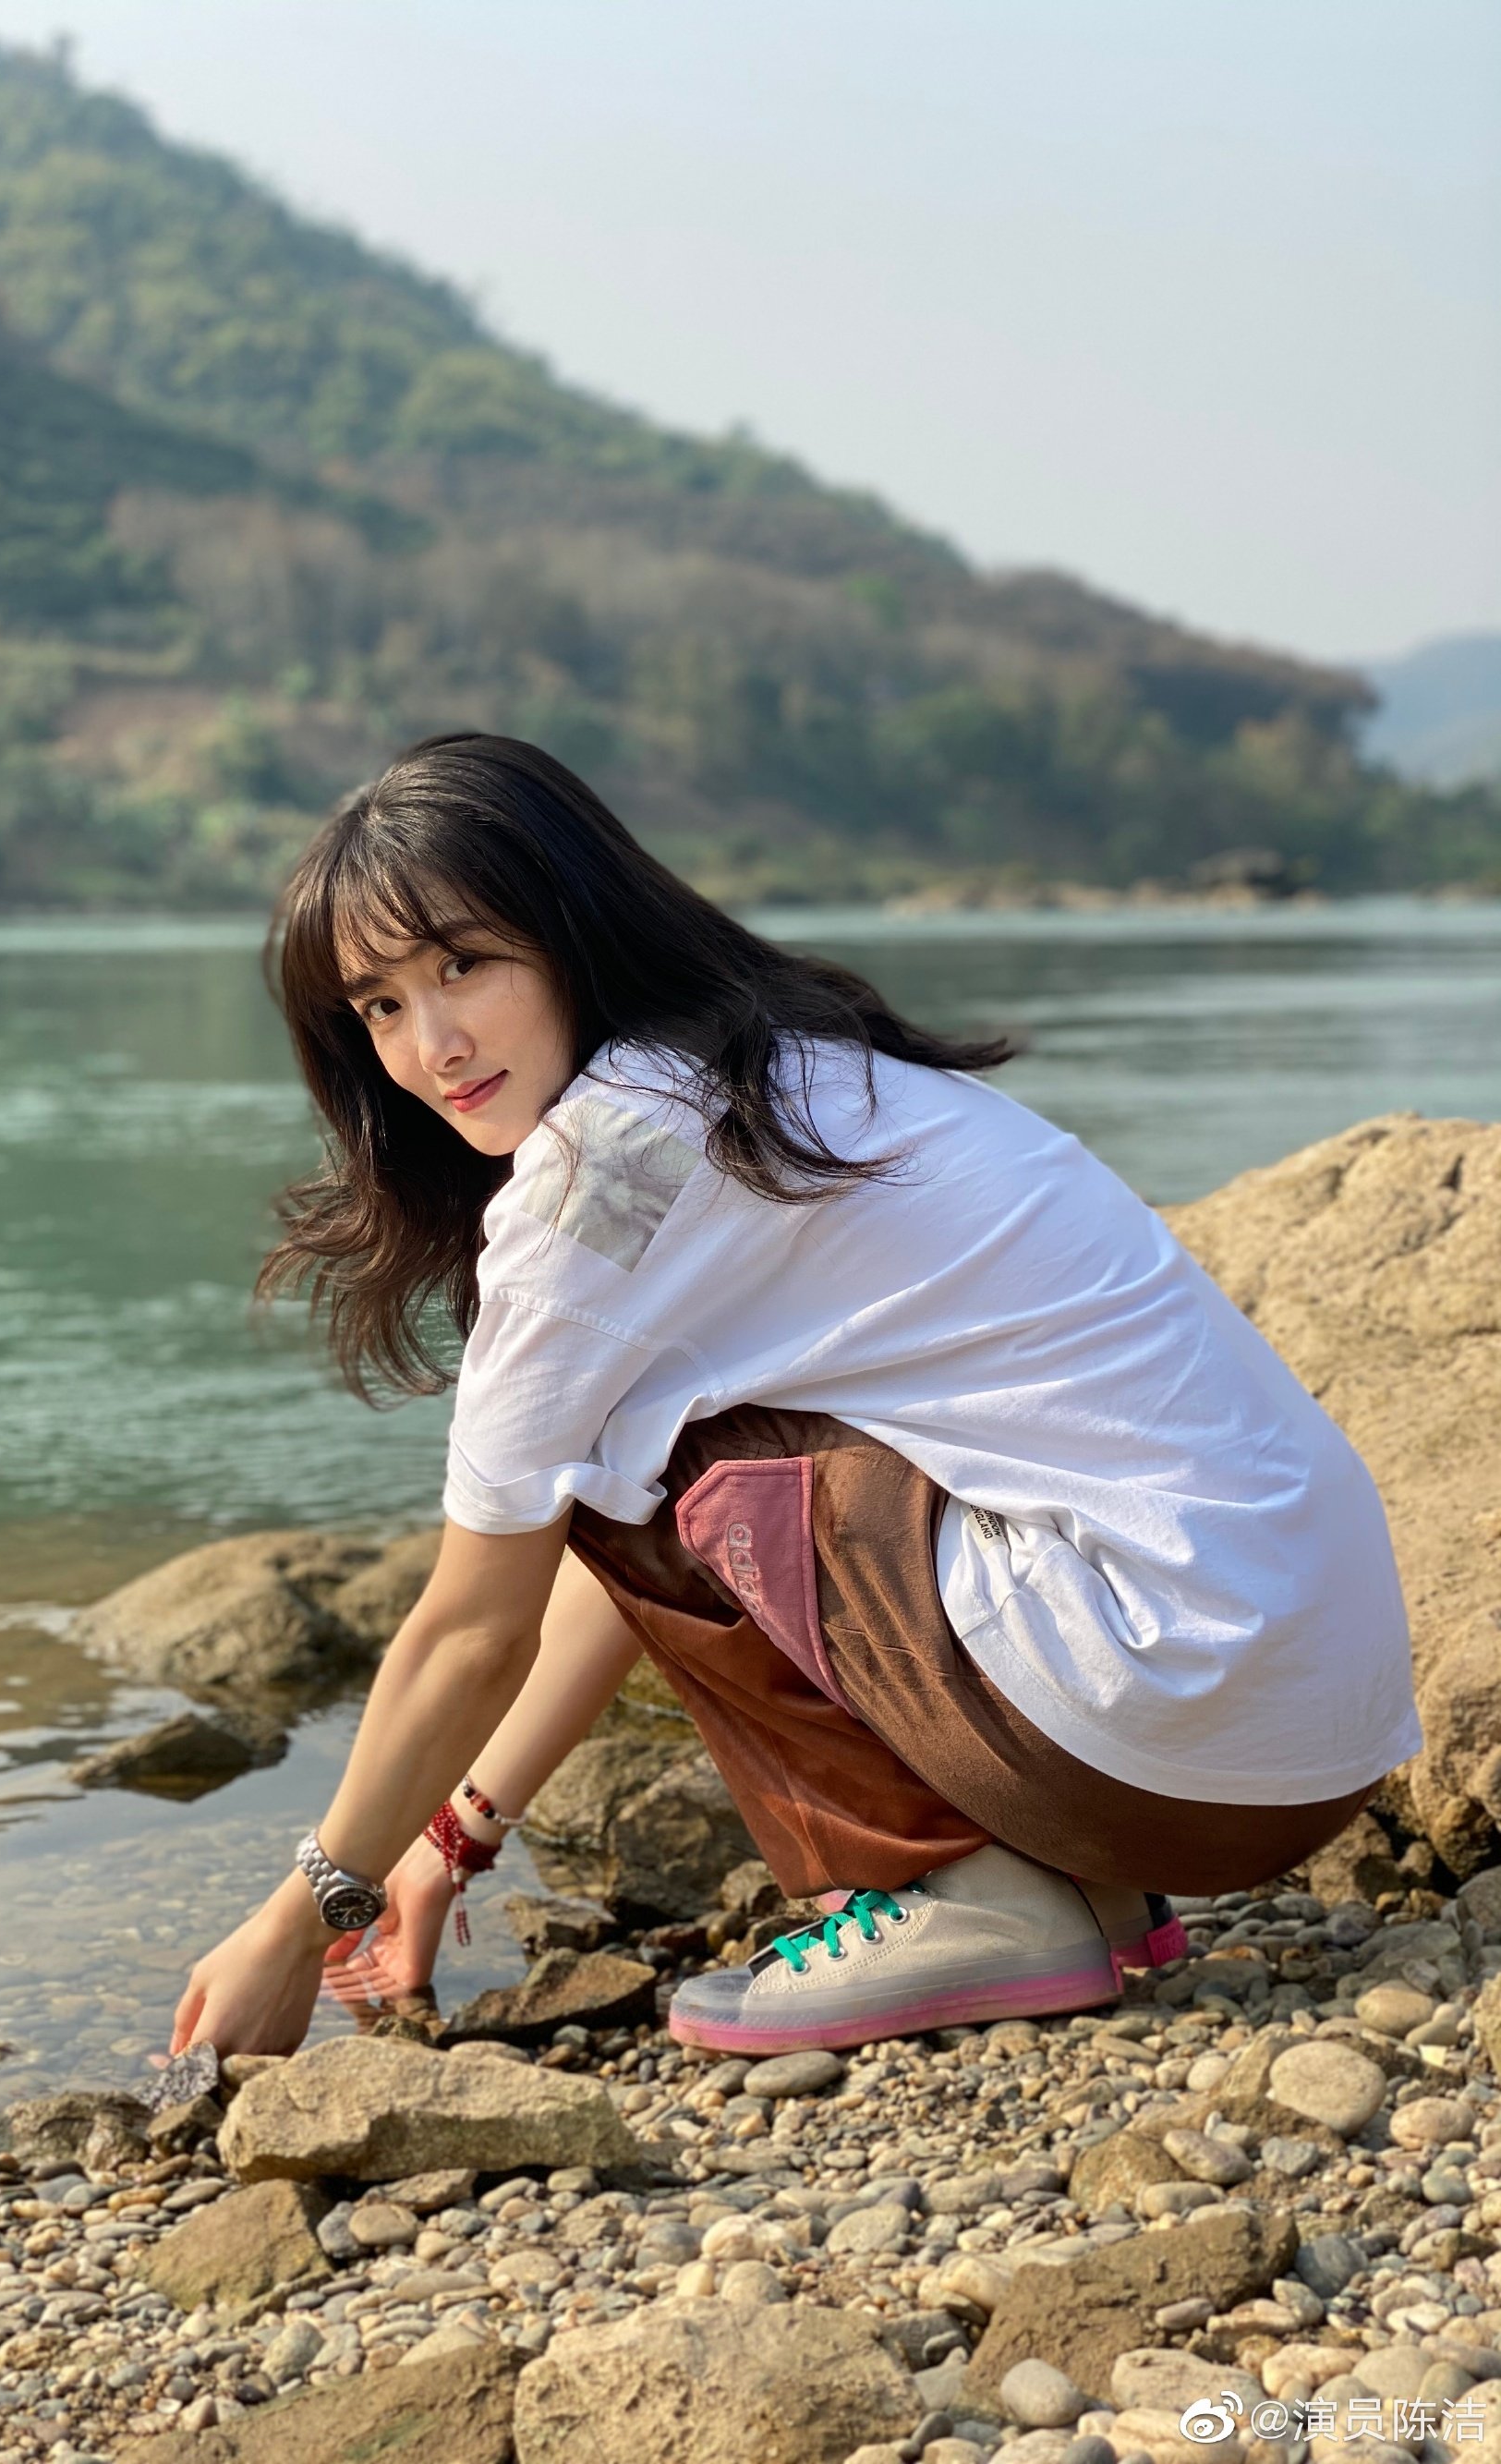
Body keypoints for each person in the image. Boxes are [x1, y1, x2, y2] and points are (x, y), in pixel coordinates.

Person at [167, 734, 1419, 2062]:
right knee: (642, 1449)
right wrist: (450, 1839)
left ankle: (971, 1899)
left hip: (1175, 1719)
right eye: (380, 1005)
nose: (434, 1045)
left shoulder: (612, 1170)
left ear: (574, 931)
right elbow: (624, 1545)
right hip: (1296, 1728)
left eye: (463, 964)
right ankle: (1069, 1891)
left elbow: (481, 1624)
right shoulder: (770, 1066)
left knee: (663, 1460)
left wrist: (297, 1924)